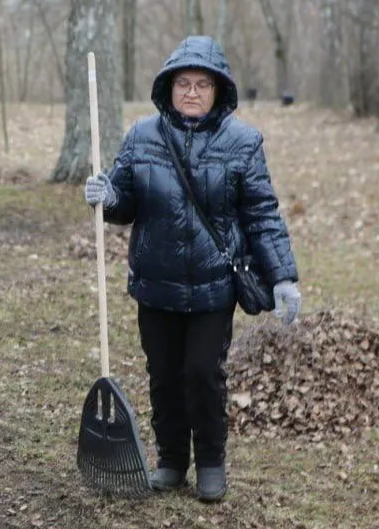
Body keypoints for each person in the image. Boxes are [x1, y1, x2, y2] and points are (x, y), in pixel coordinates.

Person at [83, 35, 301, 503]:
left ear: (219, 90)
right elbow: (123, 202)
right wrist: (107, 197)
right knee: (163, 374)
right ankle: (171, 461)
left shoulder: (243, 142)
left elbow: (262, 213)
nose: (193, 92)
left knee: (202, 373)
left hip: (213, 285)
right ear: (169, 87)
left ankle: (211, 464)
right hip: (156, 281)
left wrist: (282, 276)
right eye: (183, 83)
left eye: (203, 84)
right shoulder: (142, 136)